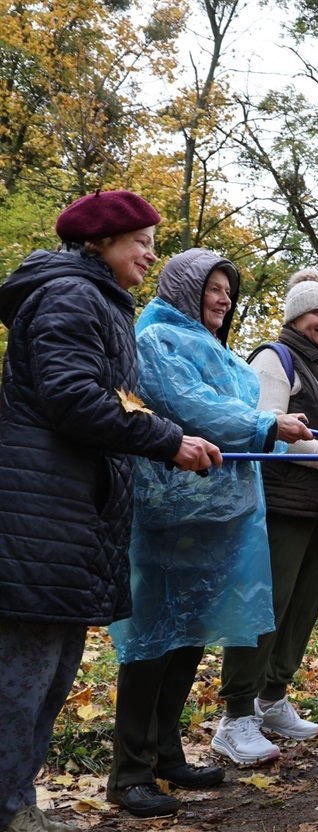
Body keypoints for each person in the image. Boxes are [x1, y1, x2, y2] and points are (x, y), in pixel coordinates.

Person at [0, 193, 220, 832]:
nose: (152, 253)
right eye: (141, 241)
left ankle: (19, 805)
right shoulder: (72, 296)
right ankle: (11, 807)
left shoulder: (97, 301)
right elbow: (73, 399)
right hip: (39, 517)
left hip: (69, 517)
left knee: (48, 675)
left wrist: (162, 431)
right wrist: (165, 439)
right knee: (22, 677)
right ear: (101, 242)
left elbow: (111, 400)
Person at [106, 248, 312, 817]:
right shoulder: (155, 340)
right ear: (183, 287)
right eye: (212, 287)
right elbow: (190, 408)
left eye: (227, 289)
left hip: (215, 518)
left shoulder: (207, 346)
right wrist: (268, 422)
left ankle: (165, 755)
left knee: (189, 634)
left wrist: (263, 425)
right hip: (170, 514)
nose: (222, 298)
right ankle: (128, 774)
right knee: (152, 639)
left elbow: (219, 407)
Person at [212, 269, 318, 764]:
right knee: (265, 607)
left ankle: (272, 697)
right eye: (317, 311)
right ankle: (235, 716)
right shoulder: (274, 358)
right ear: (294, 315)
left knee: (302, 608)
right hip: (278, 505)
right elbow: (267, 431)